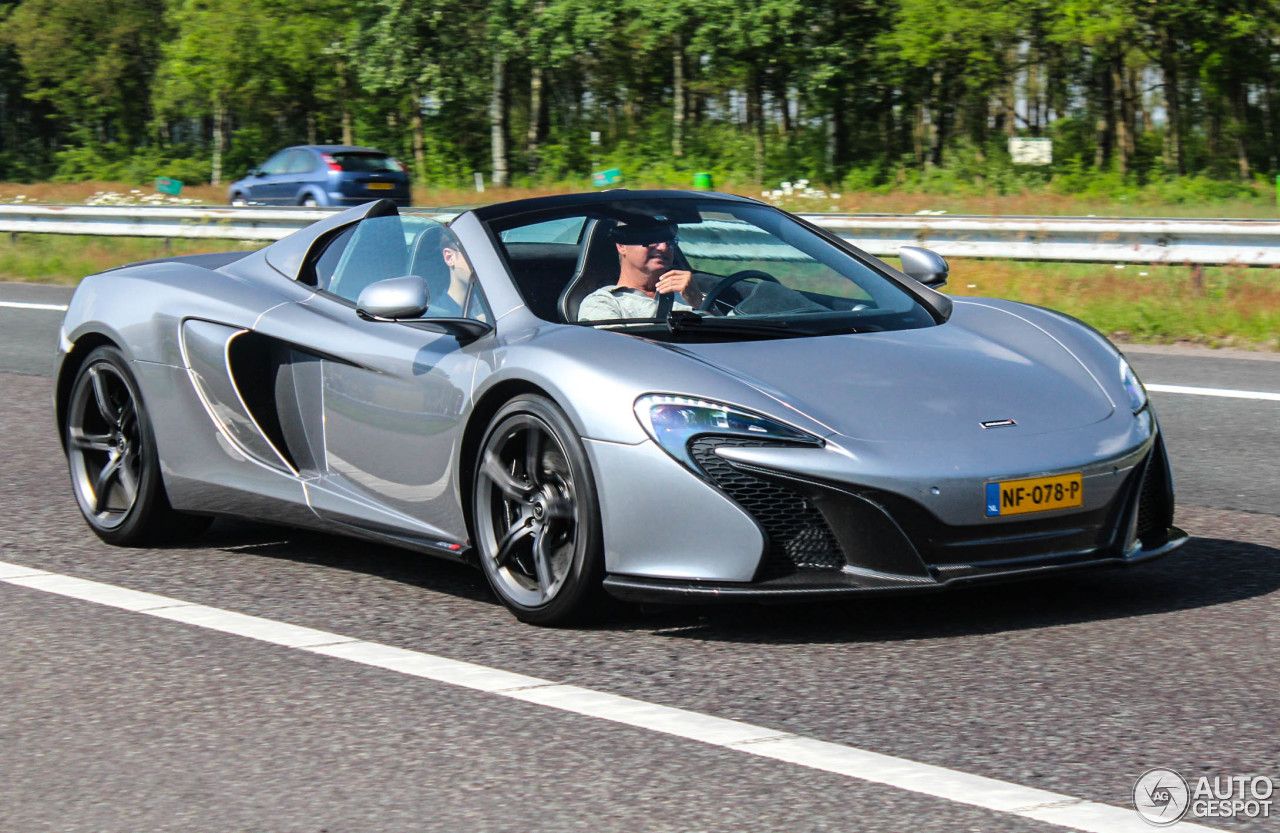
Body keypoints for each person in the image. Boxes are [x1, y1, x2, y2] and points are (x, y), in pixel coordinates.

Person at [578, 220, 704, 321]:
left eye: (670, 240)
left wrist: (699, 303)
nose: (663, 247)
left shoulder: (688, 293)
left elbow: (721, 340)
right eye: (651, 238)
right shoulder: (603, 302)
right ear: (622, 245)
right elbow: (615, 349)